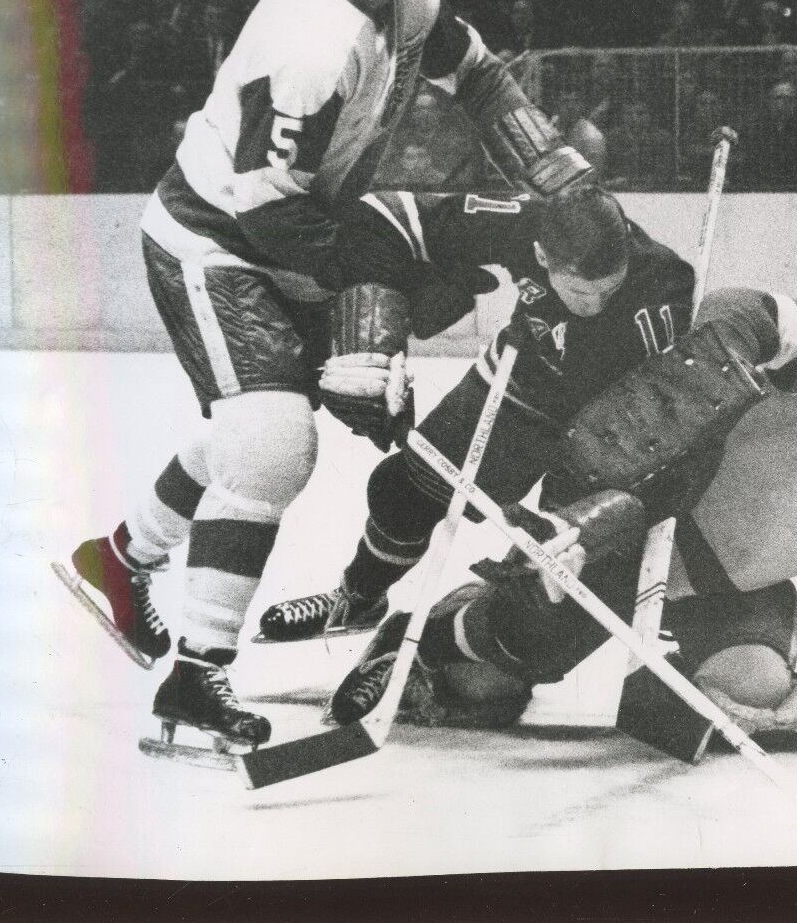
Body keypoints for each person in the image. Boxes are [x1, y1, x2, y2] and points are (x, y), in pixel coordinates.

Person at [52, 0, 593, 758]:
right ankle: (197, 675)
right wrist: (372, 302)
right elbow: (270, 211)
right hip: (217, 242)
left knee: (254, 430)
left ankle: (119, 560)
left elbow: (480, 73)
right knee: (271, 442)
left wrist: (551, 170)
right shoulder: (307, 45)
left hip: (288, 230)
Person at [329, 288, 797, 753]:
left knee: (758, 689)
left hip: (736, 585)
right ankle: (427, 636)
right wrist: (702, 387)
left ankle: (650, 695)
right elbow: (734, 309)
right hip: (652, 531)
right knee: (498, 668)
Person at [255, 184, 695, 647]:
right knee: (401, 491)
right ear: (542, 257)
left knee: (551, 569)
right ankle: (357, 598)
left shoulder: (663, 283)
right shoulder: (522, 222)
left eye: (610, 288)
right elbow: (385, 215)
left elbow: (660, 413)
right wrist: (376, 320)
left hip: (611, 424)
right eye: (581, 292)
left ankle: (447, 644)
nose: (597, 305)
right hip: (523, 383)